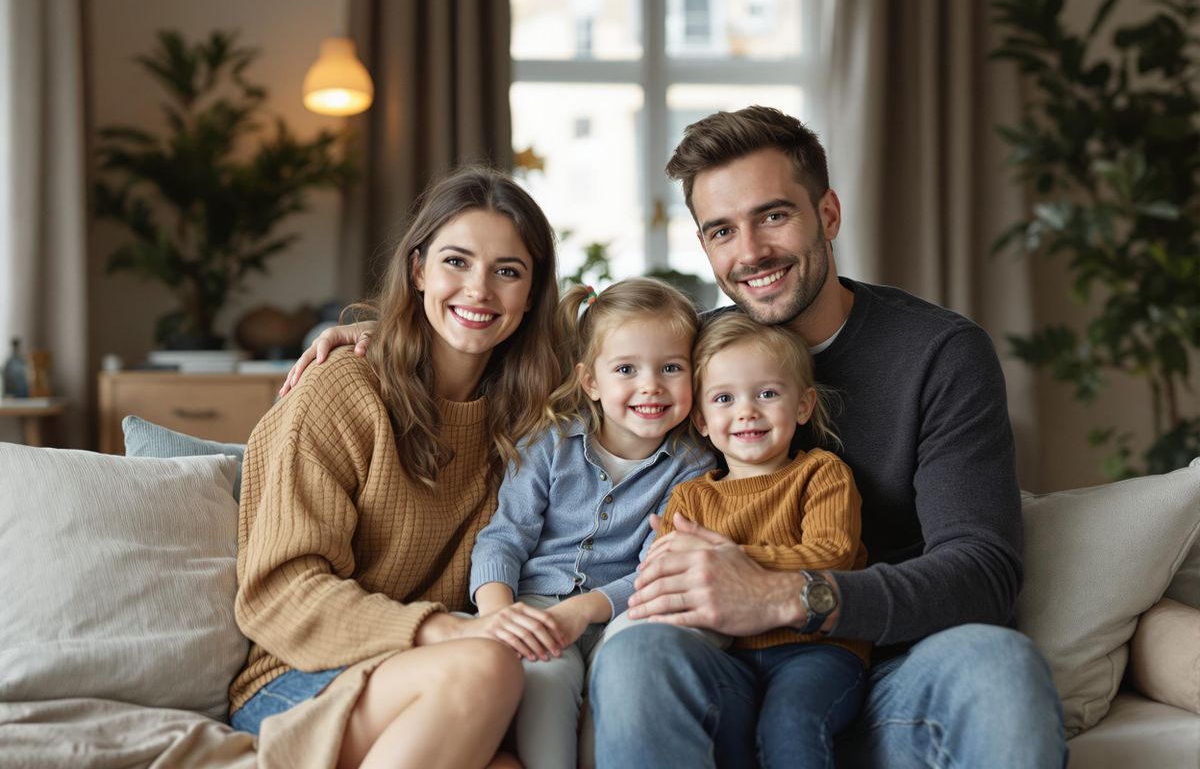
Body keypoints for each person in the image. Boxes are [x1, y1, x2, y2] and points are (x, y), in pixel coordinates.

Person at [286, 106, 1067, 767]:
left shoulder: (938, 353)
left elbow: (985, 571)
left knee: (1000, 665)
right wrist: (361, 333)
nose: (750, 251)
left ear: (827, 215)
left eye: (774, 216)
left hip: (885, 668)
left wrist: (786, 594)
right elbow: (560, 352)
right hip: (728, 671)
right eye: (721, 230)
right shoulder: (697, 352)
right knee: (636, 651)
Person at [229, 165, 566, 769]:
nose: (480, 290)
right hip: (301, 677)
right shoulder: (343, 391)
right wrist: (447, 631)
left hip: (440, 676)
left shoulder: (536, 415)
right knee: (487, 667)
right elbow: (280, 592)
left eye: (507, 272)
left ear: (533, 293)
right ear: (418, 270)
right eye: (455, 262)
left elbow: (651, 351)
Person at [470, 277, 714, 769]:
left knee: (626, 668)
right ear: (591, 381)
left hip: (622, 607)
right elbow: (503, 537)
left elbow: (656, 568)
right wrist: (498, 614)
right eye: (626, 369)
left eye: (671, 368)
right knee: (543, 673)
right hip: (537, 602)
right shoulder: (550, 443)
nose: (651, 386)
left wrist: (584, 611)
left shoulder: (694, 464)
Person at [646, 311, 869, 767]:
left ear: (803, 406)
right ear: (702, 420)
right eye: (724, 398)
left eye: (767, 393)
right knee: (720, 735)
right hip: (725, 656)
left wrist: (729, 559)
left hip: (819, 651)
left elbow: (833, 554)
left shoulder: (820, 473)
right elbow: (665, 575)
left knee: (789, 724)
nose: (746, 411)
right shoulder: (691, 497)